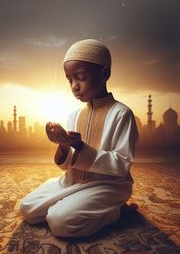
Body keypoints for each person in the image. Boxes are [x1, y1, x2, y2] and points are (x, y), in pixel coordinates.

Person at [20, 38, 139, 238]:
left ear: (104, 74)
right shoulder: (73, 115)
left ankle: (116, 212)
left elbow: (122, 164)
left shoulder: (122, 113)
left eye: (80, 77)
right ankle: (75, 205)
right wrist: (64, 146)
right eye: (69, 80)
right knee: (27, 208)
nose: (74, 86)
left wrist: (81, 146)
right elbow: (68, 166)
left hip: (107, 185)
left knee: (60, 222)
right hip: (73, 182)